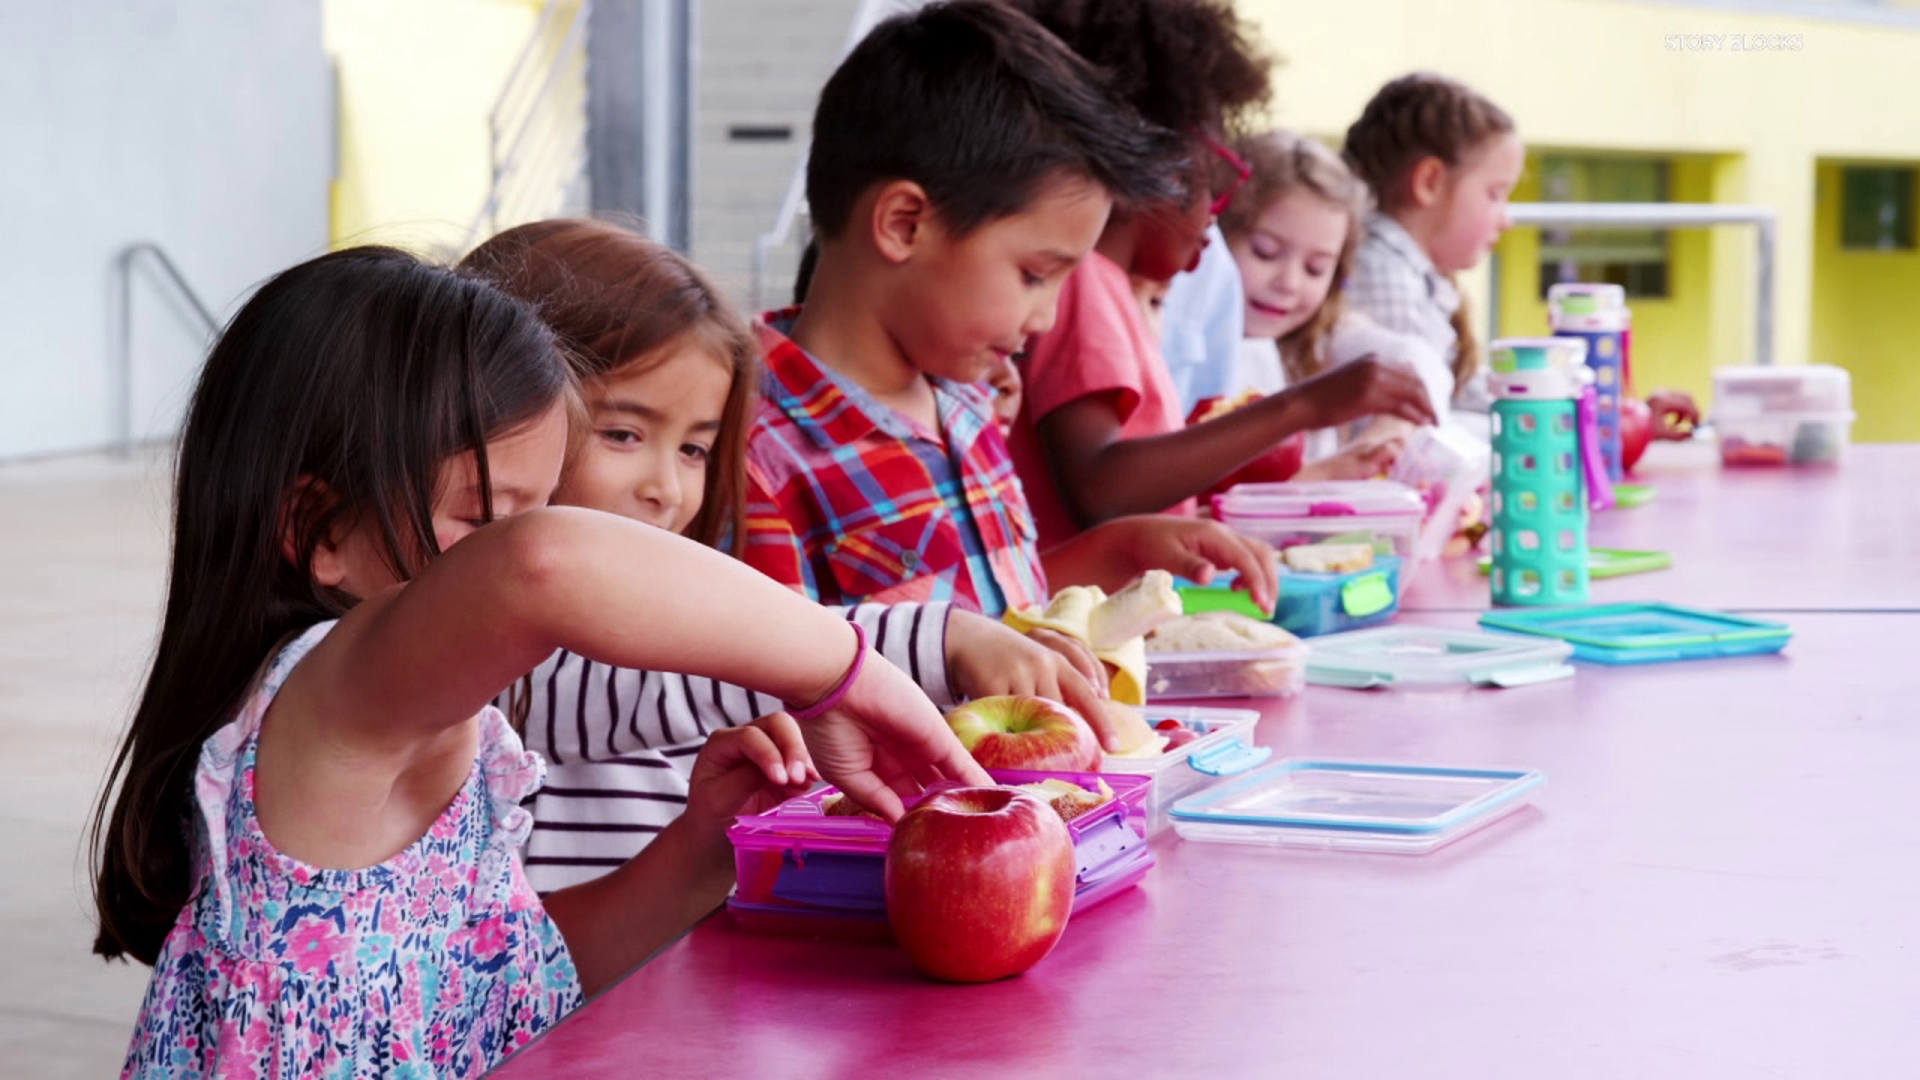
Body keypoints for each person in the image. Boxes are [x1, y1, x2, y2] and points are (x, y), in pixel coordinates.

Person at [93, 247, 989, 1076]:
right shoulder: (330, 696)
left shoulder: (440, 721)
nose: (513, 545)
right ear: (320, 531)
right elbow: (542, 569)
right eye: (487, 518)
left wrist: (700, 855)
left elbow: (504, 982)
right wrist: (841, 669)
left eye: (538, 506)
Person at [463, 219, 1113, 893]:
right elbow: (647, 678)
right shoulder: (495, 654)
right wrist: (928, 639)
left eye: (695, 450)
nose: (666, 489)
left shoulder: (687, 631)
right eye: (624, 434)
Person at [745, 0, 1280, 617]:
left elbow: (991, 611)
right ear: (904, 224)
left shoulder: (968, 404)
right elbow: (778, 681)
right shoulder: (755, 447)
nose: (1046, 318)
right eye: (1034, 275)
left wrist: (1122, 548)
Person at [1005, 0, 1435, 546]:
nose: (1213, 216)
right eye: (1215, 182)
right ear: (1157, 168)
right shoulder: (1088, 282)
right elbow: (1100, 489)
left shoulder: (1109, 292)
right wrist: (1303, 406)